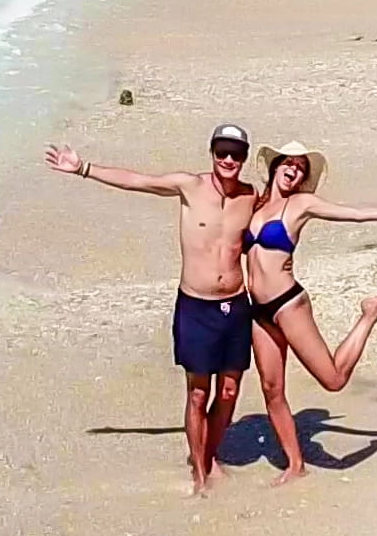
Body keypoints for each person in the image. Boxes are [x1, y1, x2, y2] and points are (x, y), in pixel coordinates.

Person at [46, 121, 266, 494]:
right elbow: (138, 181)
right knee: (198, 393)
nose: (229, 159)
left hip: (235, 305)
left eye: (237, 153)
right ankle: (200, 472)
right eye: (222, 151)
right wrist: (83, 168)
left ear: (245, 158)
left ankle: (211, 457)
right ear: (212, 152)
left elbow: (286, 210)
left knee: (228, 392)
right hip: (197, 306)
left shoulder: (251, 196)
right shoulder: (189, 186)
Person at [238, 143, 377, 479]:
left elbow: (354, 213)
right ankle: (296, 465)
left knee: (333, 379)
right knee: (271, 389)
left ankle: (368, 316)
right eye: (288, 164)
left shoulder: (301, 204)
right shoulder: (257, 207)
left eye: (300, 168)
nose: (293, 170)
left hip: (288, 303)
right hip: (258, 311)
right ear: (275, 167)